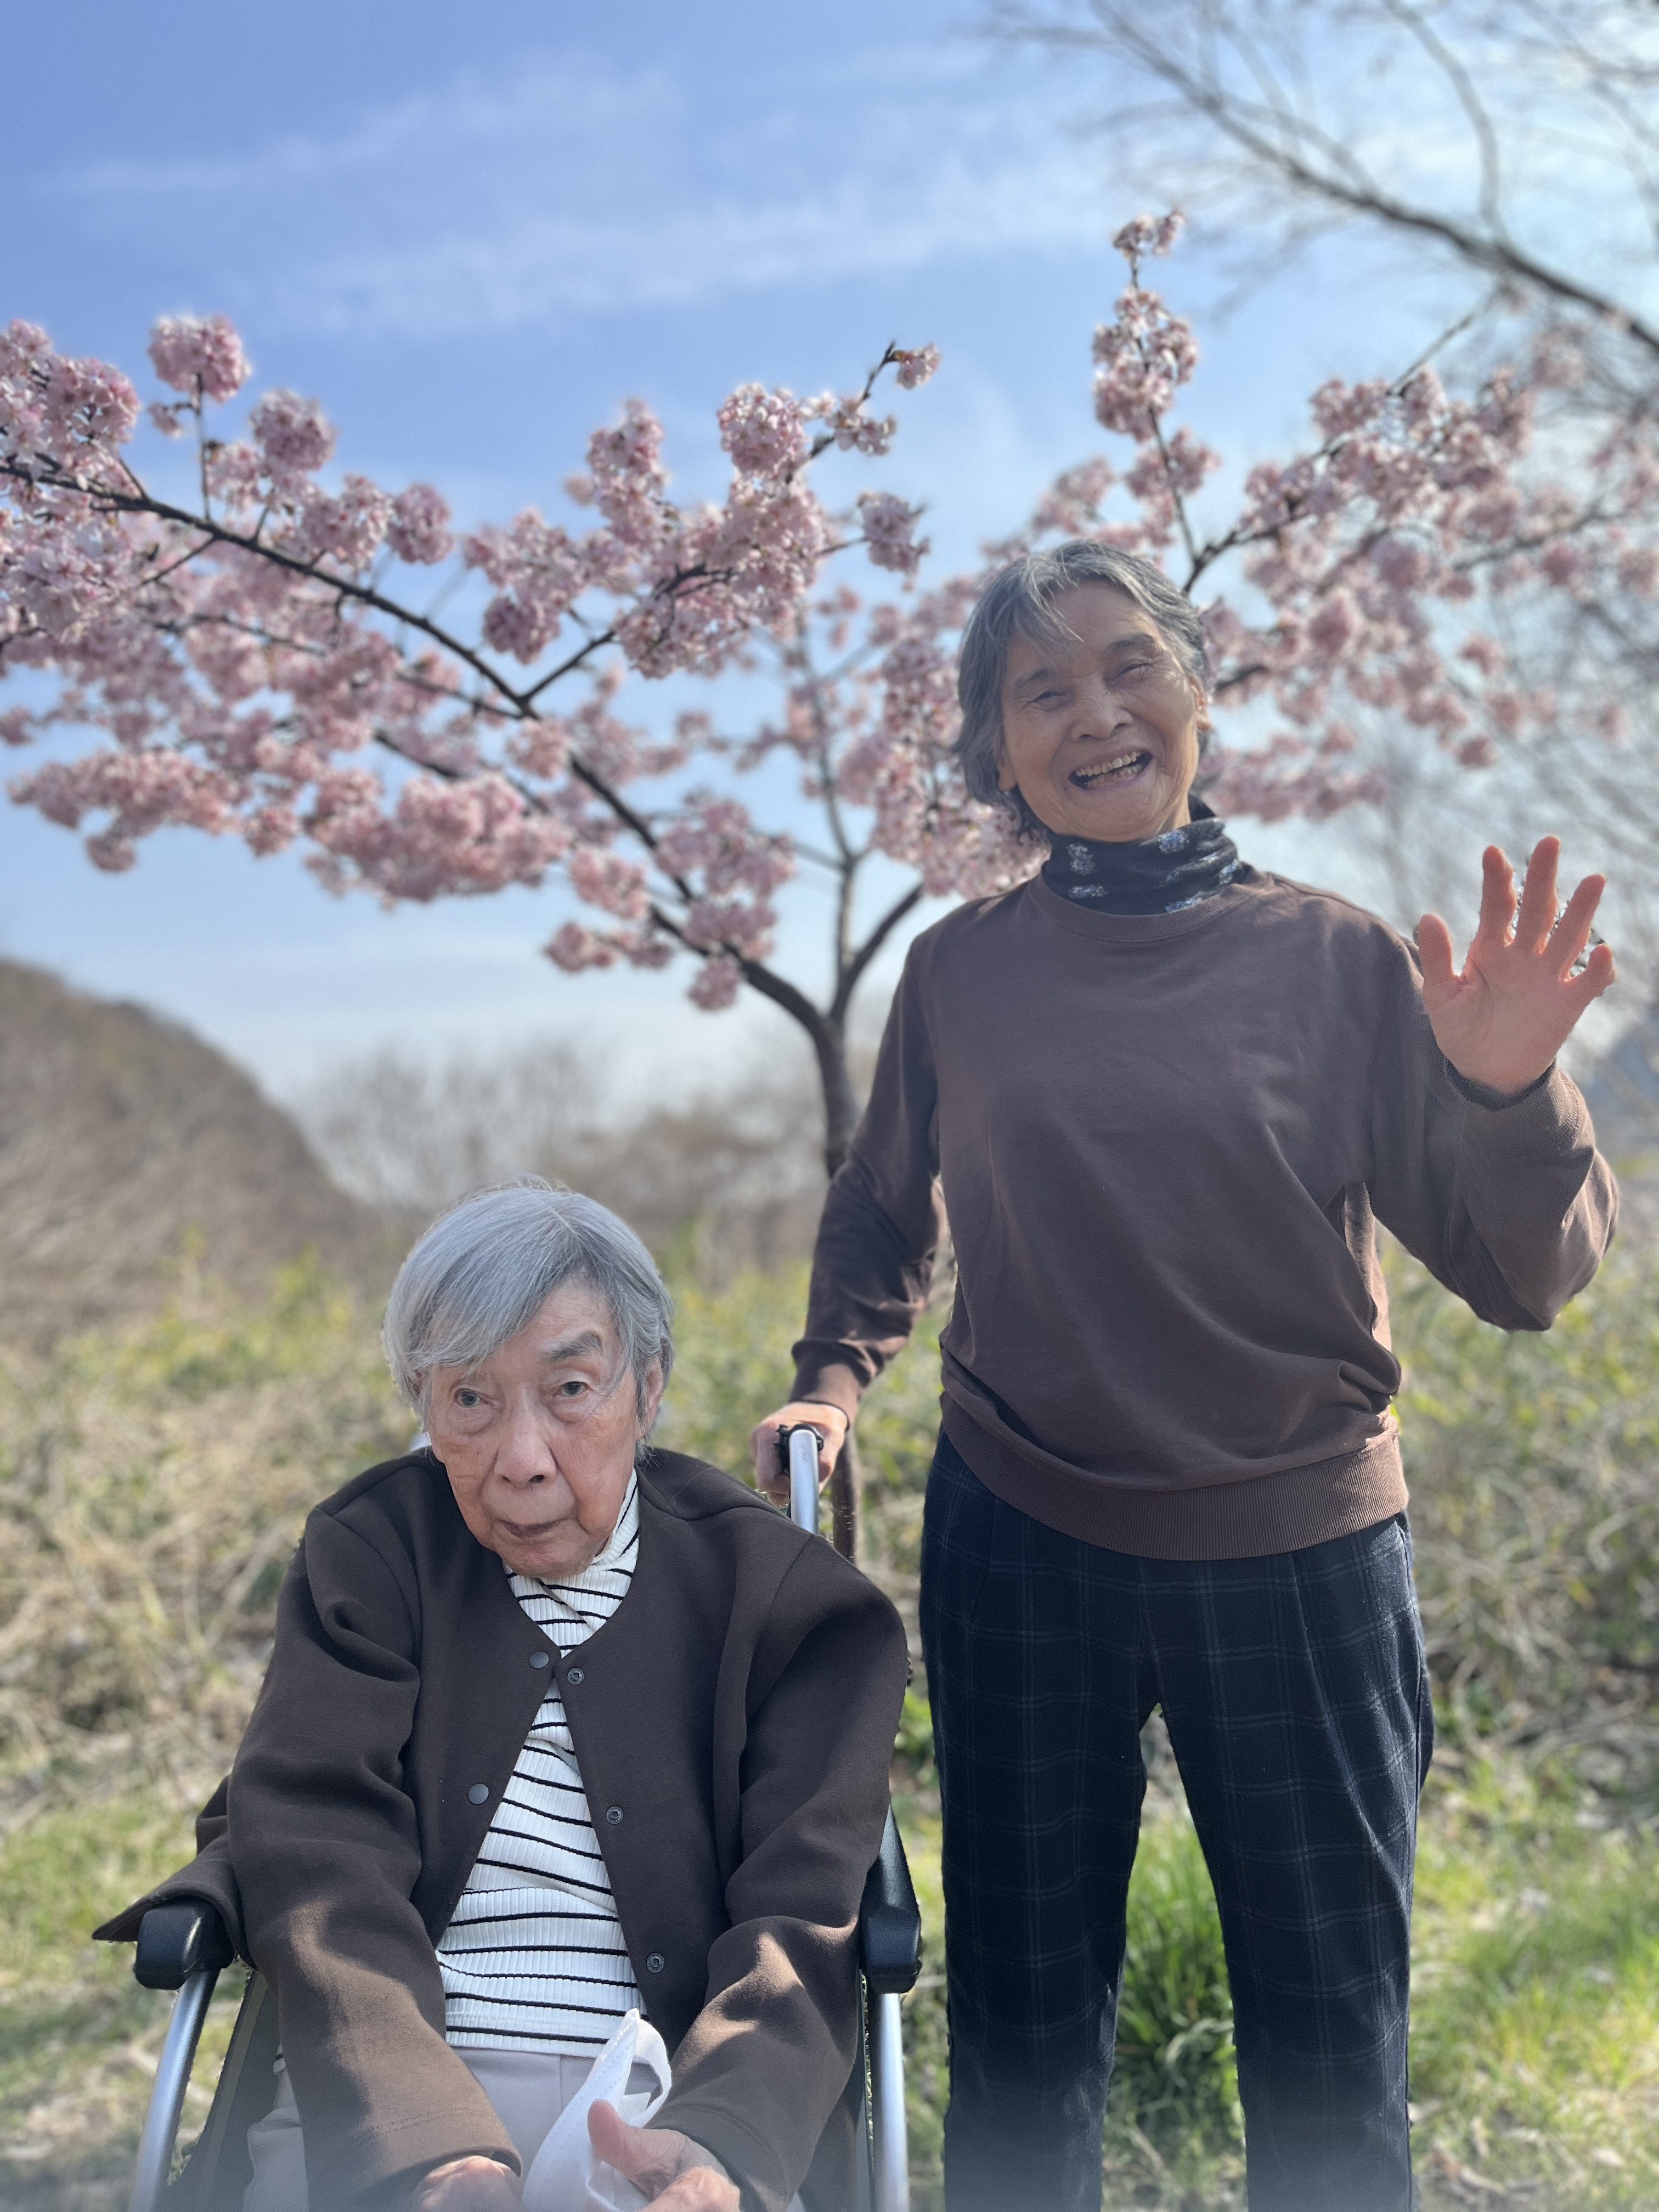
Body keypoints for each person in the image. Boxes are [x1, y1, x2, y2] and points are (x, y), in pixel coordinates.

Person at [752, 541, 1617, 2212]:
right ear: (997, 752)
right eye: (1042, 690)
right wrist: (831, 1382)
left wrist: (1512, 1095)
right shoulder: (957, 975)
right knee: (1020, 2034)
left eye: (1129, 665)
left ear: (1200, 692)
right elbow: (880, 1207)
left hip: (1301, 1548)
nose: (1095, 713)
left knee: (1330, 2035)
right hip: (1022, 1535)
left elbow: (1527, 1279)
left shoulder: (1340, 960)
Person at [102, 1182, 908, 2212]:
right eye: (470, 1401)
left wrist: (717, 2141)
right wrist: (427, 2148)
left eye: (570, 1388)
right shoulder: (374, 1556)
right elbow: (318, 1850)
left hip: (670, 2093)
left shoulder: (786, 1599)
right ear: (423, 1409)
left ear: (647, 1386)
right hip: (386, 2093)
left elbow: (803, 1912)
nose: (522, 1462)